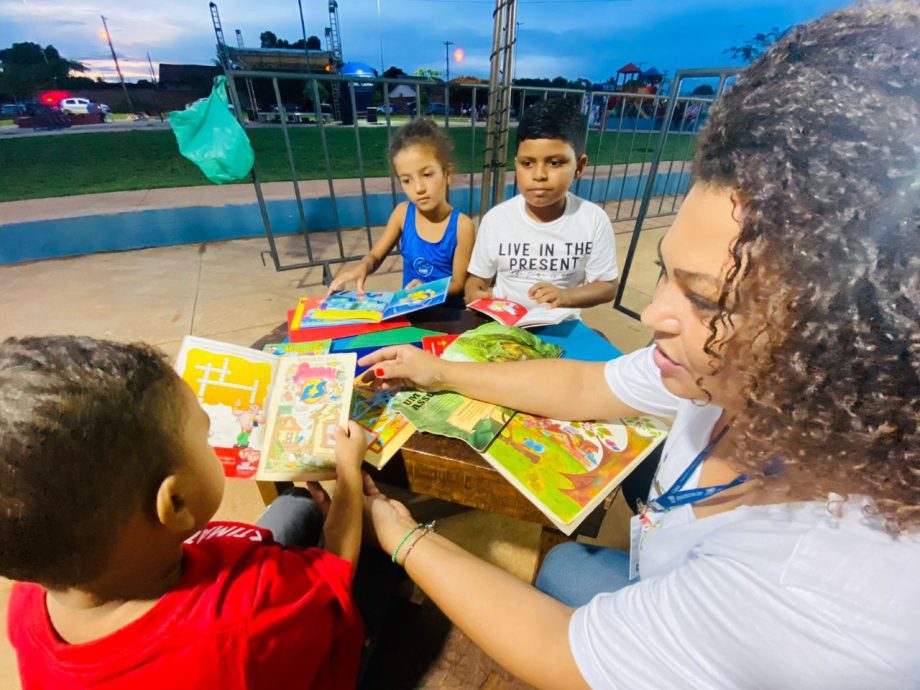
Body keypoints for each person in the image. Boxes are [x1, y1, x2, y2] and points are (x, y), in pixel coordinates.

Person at [353, 4, 920, 687]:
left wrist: (400, 535)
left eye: (706, 298)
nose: (654, 313)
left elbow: (563, 652)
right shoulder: (732, 374)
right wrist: (437, 370)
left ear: (844, 339)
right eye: (664, 274)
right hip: (659, 574)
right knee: (559, 559)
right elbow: (587, 387)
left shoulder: (822, 596)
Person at [0, 336, 370, 689]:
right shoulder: (250, 612)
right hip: (296, 651)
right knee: (372, 552)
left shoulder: (27, 603)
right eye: (206, 437)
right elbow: (338, 566)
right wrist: (350, 477)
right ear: (175, 504)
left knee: (297, 506)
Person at [464, 99, 619, 318]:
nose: (538, 175)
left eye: (555, 163)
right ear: (516, 163)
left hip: (561, 325)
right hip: (502, 324)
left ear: (579, 166)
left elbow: (608, 286)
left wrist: (566, 296)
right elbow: (478, 278)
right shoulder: (496, 219)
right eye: (527, 163)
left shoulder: (592, 219)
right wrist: (474, 293)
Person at [328, 118, 475, 299]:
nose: (419, 188)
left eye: (427, 174)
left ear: (447, 174)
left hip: (446, 316)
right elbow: (375, 256)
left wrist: (427, 291)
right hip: (409, 312)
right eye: (407, 180)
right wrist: (363, 266)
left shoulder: (462, 226)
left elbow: (458, 284)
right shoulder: (402, 214)